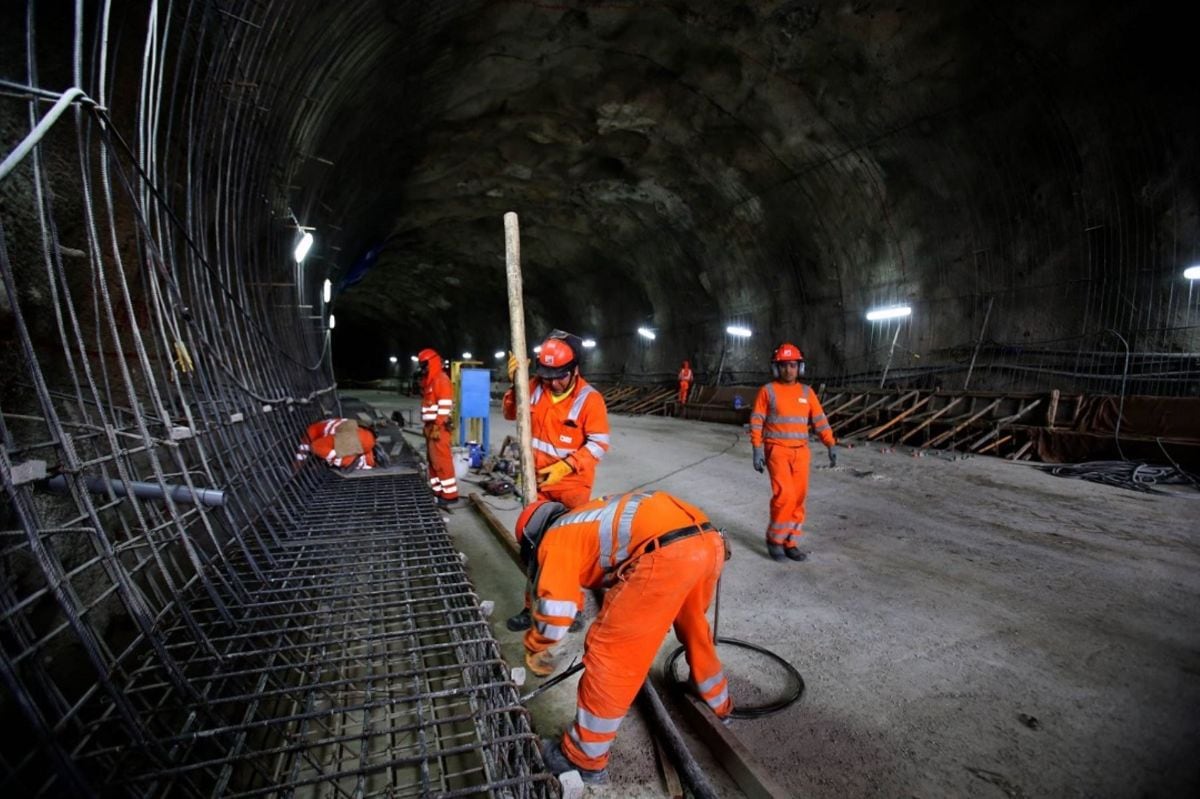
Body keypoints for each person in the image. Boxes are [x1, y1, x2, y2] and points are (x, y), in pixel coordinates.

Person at [516, 491, 733, 784]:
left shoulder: (554, 538)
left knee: (611, 656)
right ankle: (717, 702)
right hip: (707, 541)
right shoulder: (583, 516)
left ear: (532, 539)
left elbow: (556, 612)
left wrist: (536, 646)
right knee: (694, 626)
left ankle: (582, 759)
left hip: (667, 554)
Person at [502, 330, 610, 631]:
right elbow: (512, 413)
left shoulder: (590, 400)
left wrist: (567, 466)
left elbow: (599, 443)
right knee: (534, 547)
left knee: (568, 551)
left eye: (559, 376)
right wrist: (515, 385)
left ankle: (571, 608)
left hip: (572, 487)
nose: (552, 382)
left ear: (575, 369)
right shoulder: (535, 387)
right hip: (537, 485)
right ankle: (531, 607)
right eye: (547, 375)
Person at [749, 342, 837, 562]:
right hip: (777, 450)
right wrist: (757, 449)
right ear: (776, 368)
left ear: (800, 368)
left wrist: (830, 443)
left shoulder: (807, 393)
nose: (789, 370)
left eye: (793, 365)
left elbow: (819, 420)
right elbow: (757, 421)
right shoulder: (767, 391)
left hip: (801, 452)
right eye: (784, 366)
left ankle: (790, 542)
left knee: (798, 498)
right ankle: (774, 540)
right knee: (784, 496)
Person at [418, 348, 458, 507]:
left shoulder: (441, 380)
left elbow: (444, 405)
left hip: (439, 428)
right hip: (431, 427)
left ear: (432, 363)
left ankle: (449, 495)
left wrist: (437, 424)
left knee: (442, 462)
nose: (423, 368)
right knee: (433, 462)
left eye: (424, 365)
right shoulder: (430, 380)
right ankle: (437, 490)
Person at [295, 418, 379, 470]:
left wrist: (337, 457)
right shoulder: (330, 424)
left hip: (352, 439)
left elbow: (315, 447)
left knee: (319, 448)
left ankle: (355, 461)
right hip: (368, 438)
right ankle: (365, 463)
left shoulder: (313, 432)